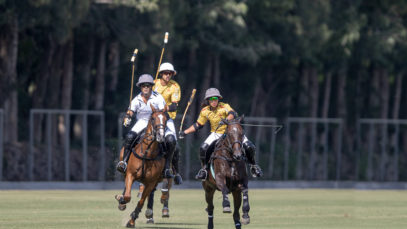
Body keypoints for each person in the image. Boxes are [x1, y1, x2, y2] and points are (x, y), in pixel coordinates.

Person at [179, 88, 263, 180]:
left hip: (231, 133)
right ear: (208, 101)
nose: (214, 101)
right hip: (216, 133)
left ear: (218, 99)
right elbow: (198, 125)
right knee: (203, 148)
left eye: (215, 98)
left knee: (249, 146)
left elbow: (232, 113)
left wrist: (226, 120)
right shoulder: (205, 111)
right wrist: (184, 132)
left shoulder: (224, 106)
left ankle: (253, 166)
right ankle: (204, 170)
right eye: (211, 99)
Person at [116, 74, 175, 178]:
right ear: (140, 87)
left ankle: (167, 167)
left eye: (148, 85)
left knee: (170, 140)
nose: (146, 87)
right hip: (142, 122)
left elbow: (162, 112)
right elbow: (130, 111)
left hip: (156, 122)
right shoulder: (136, 99)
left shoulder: (158, 97)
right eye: (143, 85)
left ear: (151, 86)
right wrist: (127, 118)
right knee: (130, 137)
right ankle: (124, 162)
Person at [153, 62, 182, 184]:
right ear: (161, 74)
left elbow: (175, 106)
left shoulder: (175, 86)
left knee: (173, 143)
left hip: (167, 118)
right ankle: (125, 162)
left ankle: (174, 171)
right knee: (134, 136)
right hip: (152, 117)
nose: (168, 75)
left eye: (170, 73)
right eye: (165, 73)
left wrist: (165, 109)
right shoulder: (153, 84)